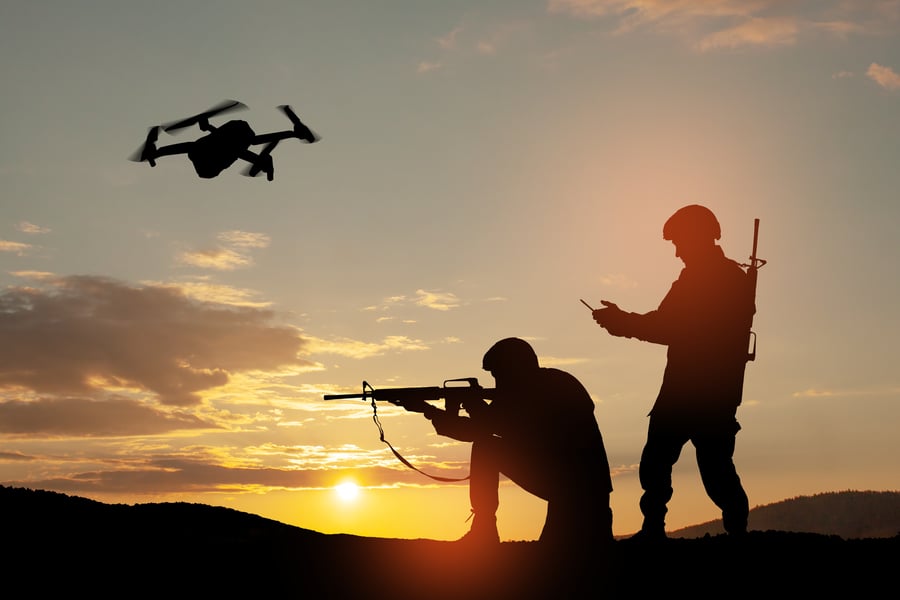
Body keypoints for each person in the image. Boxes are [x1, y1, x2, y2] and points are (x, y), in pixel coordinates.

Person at [591, 205, 754, 541]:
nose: (677, 251)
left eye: (679, 242)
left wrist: (623, 322)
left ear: (697, 237)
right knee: (659, 463)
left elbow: (669, 327)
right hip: (689, 391)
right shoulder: (704, 277)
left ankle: (735, 534)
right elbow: (668, 324)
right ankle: (657, 529)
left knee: (713, 472)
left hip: (704, 394)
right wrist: (624, 322)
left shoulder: (719, 279)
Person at [411, 337, 614, 548]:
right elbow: (481, 427)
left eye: (498, 374)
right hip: (568, 486)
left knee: (486, 448)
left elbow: (493, 425)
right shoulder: (536, 387)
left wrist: (467, 405)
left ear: (514, 369)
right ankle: (484, 528)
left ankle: (484, 531)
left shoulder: (547, 387)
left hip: (578, 488)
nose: (497, 381)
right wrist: (431, 410)